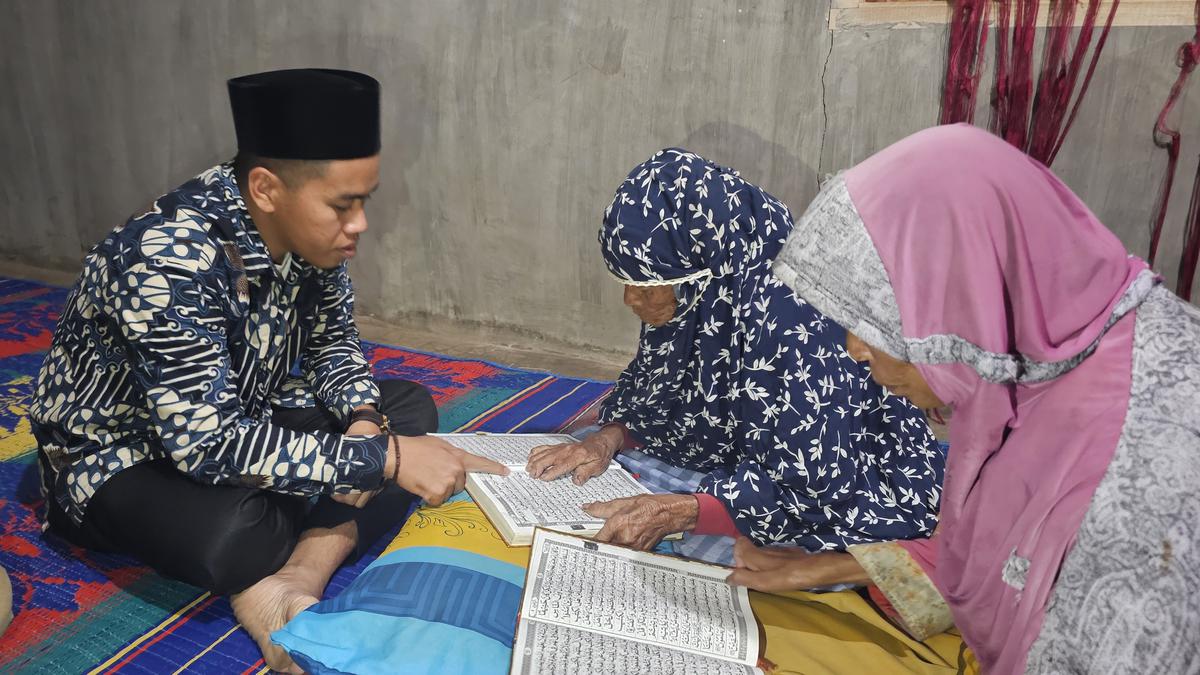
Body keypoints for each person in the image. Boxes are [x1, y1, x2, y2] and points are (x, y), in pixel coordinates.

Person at [29, 68, 506, 673]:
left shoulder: (312, 237)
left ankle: (293, 577)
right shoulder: (167, 257)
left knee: (406, 405)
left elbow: (333, 344)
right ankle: (285, 544)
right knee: (236, 538)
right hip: (122, 457)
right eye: (342, 205)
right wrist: (383, 461)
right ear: (266, 188)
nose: (359, 223)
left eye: (364, 200)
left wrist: (363, 422)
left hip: (247, 411)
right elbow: (205, 444)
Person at [731, 123, 1200, 673]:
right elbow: (994, 553)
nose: (854, 348)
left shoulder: (1142, 469)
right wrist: (830, 567)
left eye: (880, 313)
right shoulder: (1040, 370)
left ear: (964, 289)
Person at [527, 148, 944, 555]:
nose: (631, 300)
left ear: (703, 273)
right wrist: (608, 438)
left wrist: (682, 512)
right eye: (628, 282)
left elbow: (818, 484)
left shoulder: (791, 319)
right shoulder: (706, 296)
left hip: (851, 465)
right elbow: (662, 397)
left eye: (647, 286)